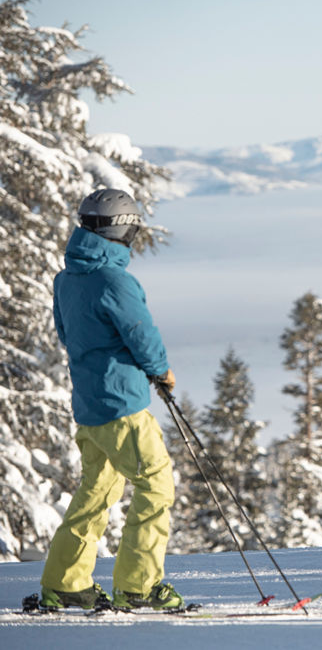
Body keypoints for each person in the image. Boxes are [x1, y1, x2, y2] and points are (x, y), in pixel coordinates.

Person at [37, 188, 184, 611]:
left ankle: (66, 582)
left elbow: (67, 336)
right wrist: (160, 372)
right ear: (122, 230)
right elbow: (141, 335)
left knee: (97, 490)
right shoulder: (114, 280)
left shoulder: (67, 279)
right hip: (123, 406)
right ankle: (139, 587)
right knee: (155, 485)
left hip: (89, 406)